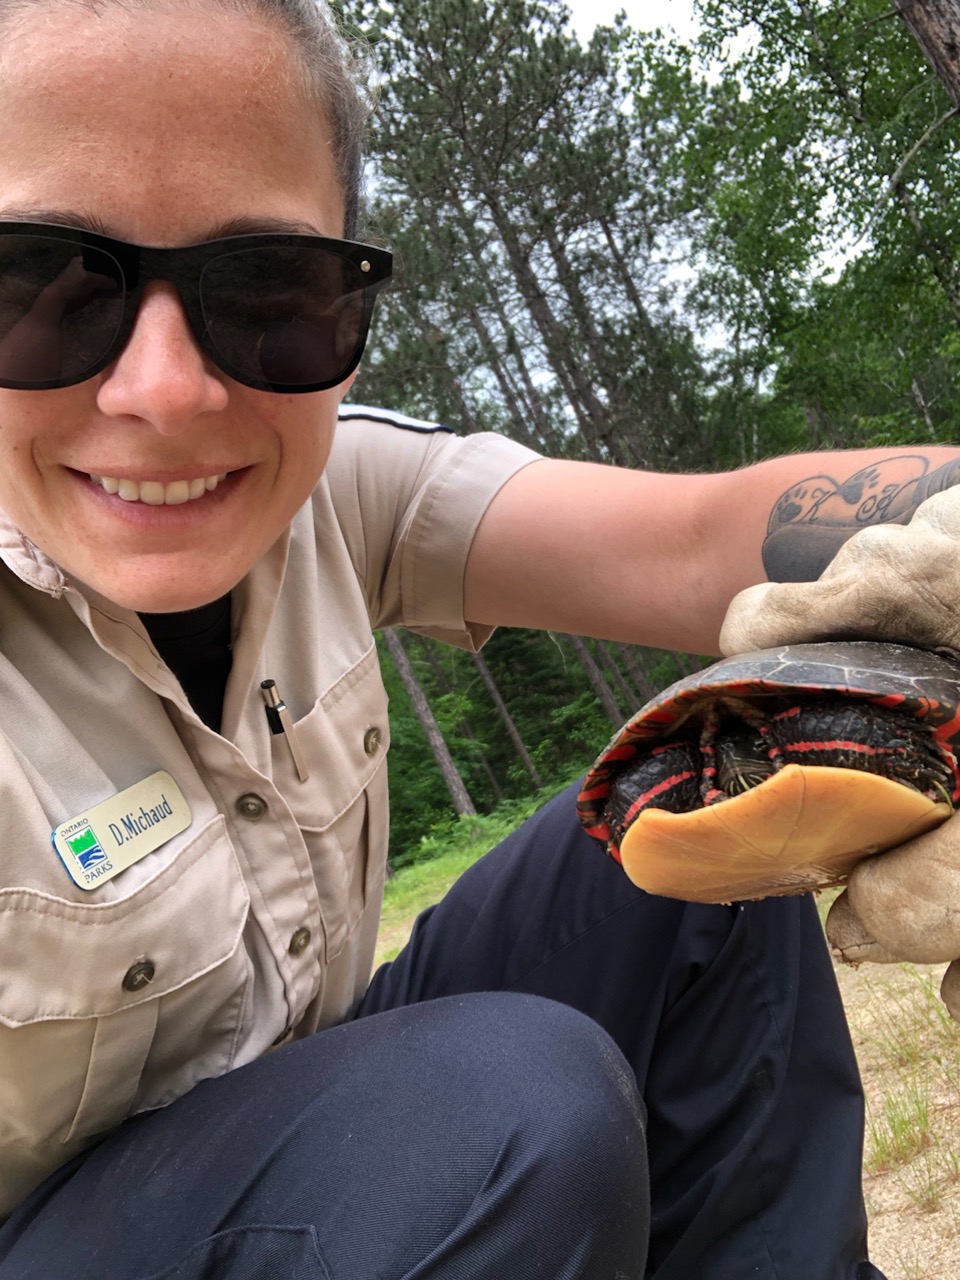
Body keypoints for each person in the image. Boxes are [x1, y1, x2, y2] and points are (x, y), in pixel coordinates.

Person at [0, 1, 954, 1276]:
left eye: (270, 290)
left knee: (688, 809)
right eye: (38, 286)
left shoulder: (320, 488)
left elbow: (695, 539)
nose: (165, 391)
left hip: (326, 1125)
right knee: (496, 1116)